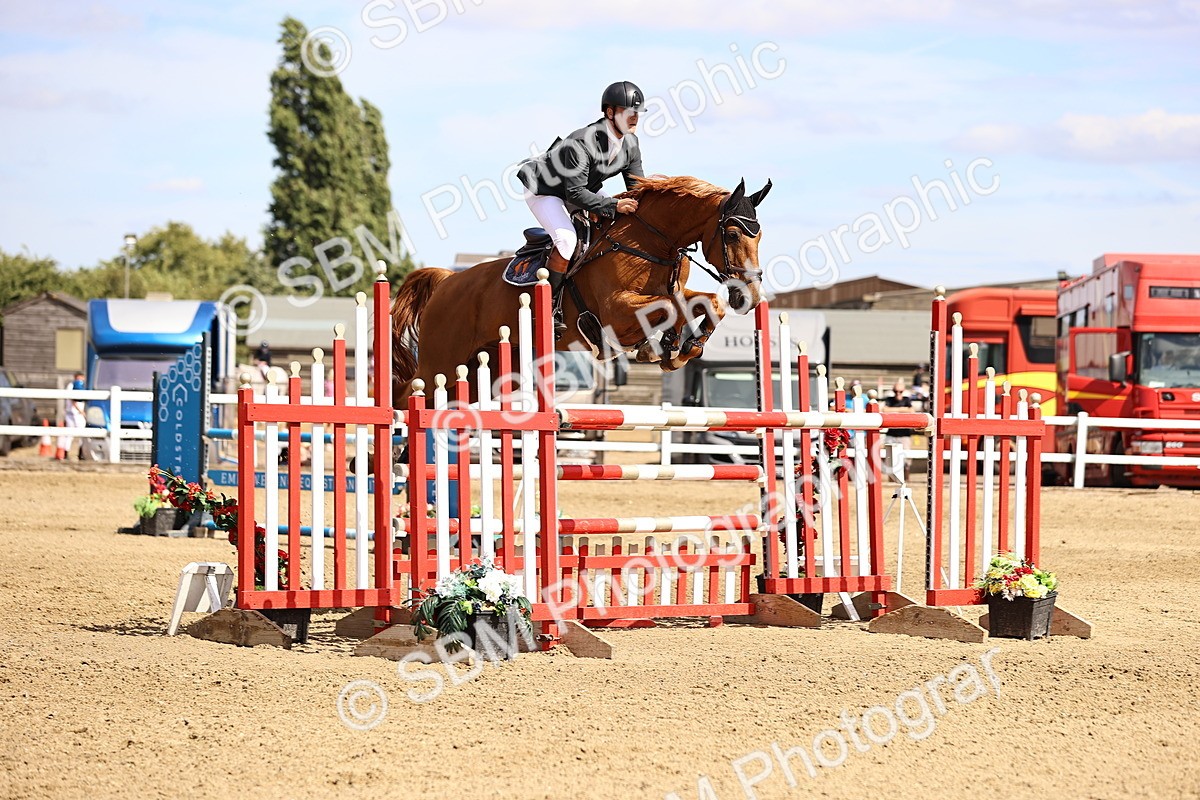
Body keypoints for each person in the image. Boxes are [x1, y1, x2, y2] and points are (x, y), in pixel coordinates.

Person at [518, 81, 647, 337]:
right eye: (627, 111)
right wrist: (612, 205)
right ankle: (547, 308)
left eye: (637, 112)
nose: (634, 118)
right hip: (546, 189)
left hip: (581, 186)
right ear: (609, 113)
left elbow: (637, 189)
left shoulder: (631, 145)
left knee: (614, 225)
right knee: (566, 240)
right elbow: (574, 194)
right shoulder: (580, 143)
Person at [56, 372, 86, 460]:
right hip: (74, 413)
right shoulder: (72, 386)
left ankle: (80, 453)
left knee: (81, 434)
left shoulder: (81, 386)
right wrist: (81, 411)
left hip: (76, 413)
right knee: (70, 434)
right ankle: (66, 454)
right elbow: (73, 399)